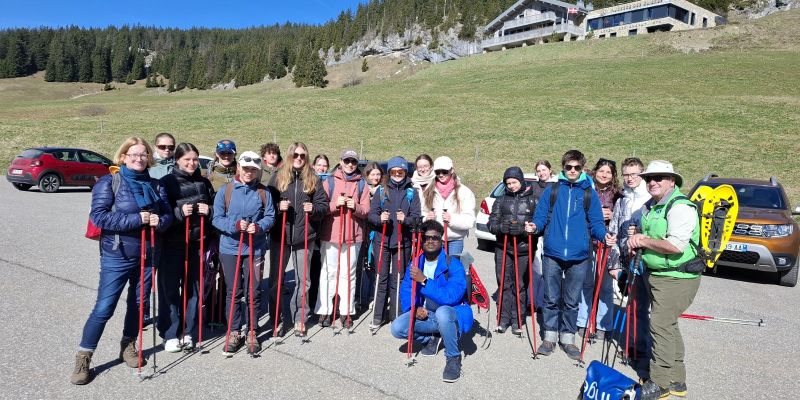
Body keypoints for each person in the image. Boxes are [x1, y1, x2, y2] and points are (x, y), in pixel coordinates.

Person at [71, 137, 173, 385]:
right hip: (117, 255)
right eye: (134, 154)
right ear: (123, 156)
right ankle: (84, 356)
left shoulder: (156, 185)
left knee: (139, 306)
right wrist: (138, 219)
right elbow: (100, 217)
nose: (139, 158)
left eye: (144, 154)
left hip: (148, 255)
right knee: (104, 307)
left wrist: (161, 221)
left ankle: (128, 345)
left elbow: (168, 215)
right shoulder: (109, 182)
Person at [629, 160, 701, 400]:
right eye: (649, 178)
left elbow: (674, 245)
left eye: (659, 177)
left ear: (672, 181)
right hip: (659, 276)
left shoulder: (680, 207)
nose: (653, 182)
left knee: (659, 324)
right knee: (667, 325)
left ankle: (659, 384)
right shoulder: (654, 206)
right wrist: (637, 240)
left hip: (677, 277)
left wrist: (642, 240)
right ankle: (677, 379)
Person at [529, 150, 607, 360]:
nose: (572, 171)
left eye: (577, 167)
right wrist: (534, 226)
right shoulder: (553, 190)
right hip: (553, 253)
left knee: (572, 301)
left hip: (580, 255)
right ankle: (549, 337)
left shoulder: (588, 193)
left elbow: (597, 223)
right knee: (551, 298)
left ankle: (568, 338)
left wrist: (604, 236)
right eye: (568, 167)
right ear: (563, 167)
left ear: (582, 168)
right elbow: (541, 216)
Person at [390, 220, 473, 383]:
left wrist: (425, 281)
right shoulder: (416, 263)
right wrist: (414, 307)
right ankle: (431, 338)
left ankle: (453, 357)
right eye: (426, 237)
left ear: (441, 240)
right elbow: (407, 287)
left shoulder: (453, 264)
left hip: (452, 314)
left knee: (442, 312)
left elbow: (451, 297)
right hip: (428, 314)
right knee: (397, 328)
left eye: (434, 237)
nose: (430, 241)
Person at [212, 151, 275, 355]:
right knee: (234, 291)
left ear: (258, 171)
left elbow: (270, 217)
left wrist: (259, 227)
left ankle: (253, 331)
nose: (249, 172)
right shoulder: (226, 190)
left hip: (255, 248)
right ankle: (234, 331)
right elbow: (216, 219)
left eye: (253, 170)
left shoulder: (264, 192)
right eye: (246, 168)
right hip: (230, 248)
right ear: (239, 167)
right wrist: (235, 225)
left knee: (254, 291)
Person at [158, 143, 215, 352]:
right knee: (170, 290)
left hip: (197, 242)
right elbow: (162, 213)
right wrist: (180, 212)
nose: (191, 163)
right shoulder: (166, 182)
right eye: (187, 160)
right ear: (178, 160)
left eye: (194, 159)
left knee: (194, 290)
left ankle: (189, 331)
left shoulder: (204, 182)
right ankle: (170, 332)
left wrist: (207, 210)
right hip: (172, 244)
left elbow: (215, 208)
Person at [267, 142, 328, 337]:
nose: (299, 158)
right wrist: (278, 208)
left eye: (302, 155)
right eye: (295, 155)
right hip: (281, 236)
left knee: (304, 280)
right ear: (289, 156)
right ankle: (276, 318)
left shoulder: (313, 179)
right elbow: (266, 206)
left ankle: (300, 317)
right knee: (277, 281)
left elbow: (323, 206)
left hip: (304, 237)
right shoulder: (277, 177)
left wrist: (315, 209)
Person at [316, 149, 371, 329]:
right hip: (331, 234)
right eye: (346, 161)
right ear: (340, 161)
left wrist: (354, 206)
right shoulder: (329, 181)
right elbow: (321, 207)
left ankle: (346, 310)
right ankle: (325, 309)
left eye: (353, 162)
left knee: (348, 274)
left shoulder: (362, 184)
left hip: (353, 236)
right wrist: (335, 205)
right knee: (328, 272)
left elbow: (366, 211)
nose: (349, 164)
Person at [367, 156, 421, 332]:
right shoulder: (381, 191)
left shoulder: (412, 193)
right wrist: (379, 218)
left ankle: (396, 315)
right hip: (382, 241)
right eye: (394, 172)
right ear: (389, 173)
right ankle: (377, 316)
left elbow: (417, 218)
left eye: (401, 172)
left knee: (398, 279)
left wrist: (406, 220)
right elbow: (371, 215)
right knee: (381, 278)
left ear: (406, 172)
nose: (397, 174)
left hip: (402, 242)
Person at [606, 157, 651, 361]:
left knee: (641, 306)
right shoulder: (622, 197)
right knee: (630, 304)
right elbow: (614, 230)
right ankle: (631, 343)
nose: (630, 178)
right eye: (626, 174)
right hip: (625, 258)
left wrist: (639, 231)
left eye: (634, 174)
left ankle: (641, 346)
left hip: (645, 258)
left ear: (641, 174)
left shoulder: (651, 197)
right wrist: (613, 264)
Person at [487, 167, 537, 335]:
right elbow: (491, 223)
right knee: (504, 283)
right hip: (503, 247)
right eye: (508, 183)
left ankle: (518, 319)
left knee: (520, 284)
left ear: (521, 181)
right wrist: (501, 227)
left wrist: (524, 230)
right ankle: (503, 318)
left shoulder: (533, 200)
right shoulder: (500, 200)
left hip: (523, 249)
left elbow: (539, 226)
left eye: (514, 182)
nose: (511, 186)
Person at [578, 158, 622, 340]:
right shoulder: (587, 190)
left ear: (613, 176)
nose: (604, 175)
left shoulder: (618, 195)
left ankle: (604, 324)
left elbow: (622, 219)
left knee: (605, 285)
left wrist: (612, 215)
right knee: (586, 283)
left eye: (608, 172)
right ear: (595, 172)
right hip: (588, 241)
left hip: (608, 244)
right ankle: (583, 321)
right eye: (601, 171)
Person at [421, 156, 476, 258]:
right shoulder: (428, 190)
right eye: (438, 172)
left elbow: (470, 220)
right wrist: (426, 218)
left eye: (444, 171)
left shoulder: (464, 192)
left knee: (452, 269)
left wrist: (452, 219)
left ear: (452, 170)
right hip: (433, 238)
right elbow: (422, 212)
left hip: (454, 240)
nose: (441, 175)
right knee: (434, 269)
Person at [530, 160, 556, 310]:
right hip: (536, 231)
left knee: (547, 268)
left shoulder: (556, 187)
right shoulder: (532, 187)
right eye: (538, 170)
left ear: (550, 170)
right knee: (535, 268)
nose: (541, 173)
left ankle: (542, 301)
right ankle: (532, 300)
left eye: (544, 169)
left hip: (550, 231)